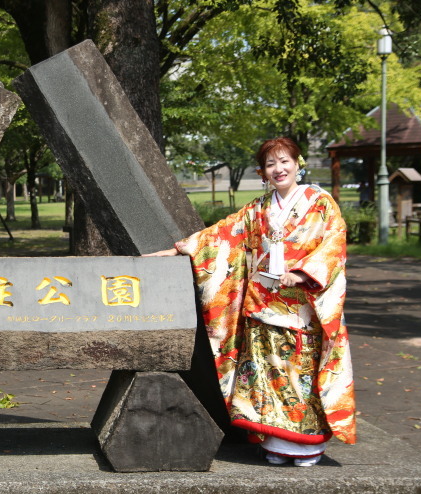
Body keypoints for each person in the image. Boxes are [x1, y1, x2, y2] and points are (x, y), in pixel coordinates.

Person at [146, 137, 355, 466]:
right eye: (271, 164)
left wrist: (302, 274)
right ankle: (275, 444)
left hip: (301, 306)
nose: (279, 169)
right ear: (263, 172)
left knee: (297, 377)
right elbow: (222, 233)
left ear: (298, 163)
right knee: (265, 377)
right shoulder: (259, 208)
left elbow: (334, 242)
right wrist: (178, 248)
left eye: (285, 161)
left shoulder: (320, 201)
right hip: (261, 305)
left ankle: (305, 445)